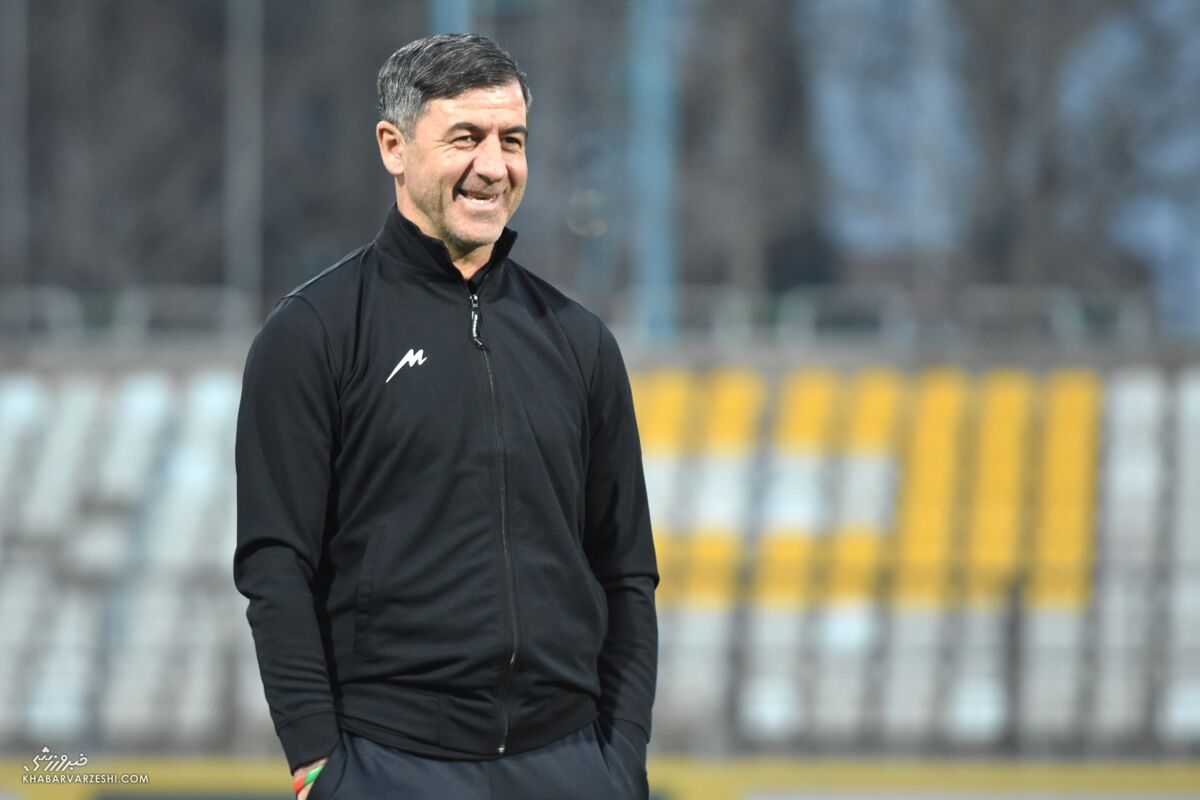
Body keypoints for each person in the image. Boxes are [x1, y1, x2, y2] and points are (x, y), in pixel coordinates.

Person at [233, 33, 658, 800]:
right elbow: (275, 565)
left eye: (511, 140)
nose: (493, 166)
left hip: (568, 765)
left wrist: (619, 762)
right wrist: (318, 764)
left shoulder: (581, 342)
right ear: (393, 147)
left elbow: (626, 572)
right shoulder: (314, 334)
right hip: (388, 764)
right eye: (465, 137)